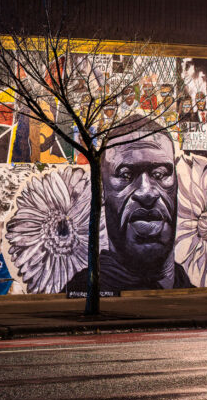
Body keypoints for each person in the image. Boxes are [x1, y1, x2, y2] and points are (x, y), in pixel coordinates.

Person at [67, 116, 191, 292]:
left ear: (177, 182)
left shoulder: (185, 287)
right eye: (126, 175)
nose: (146, 192)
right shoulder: (82, 288)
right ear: (101, 189)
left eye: (159, 174)